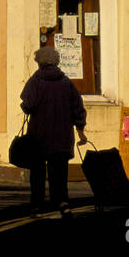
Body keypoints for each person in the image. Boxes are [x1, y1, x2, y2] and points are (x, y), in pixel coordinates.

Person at [20, 45, 88, 217]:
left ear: (39, 62)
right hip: (62, 136)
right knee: (59, 171)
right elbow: (78, 108)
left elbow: (27, 104)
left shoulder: (35, 81)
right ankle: (63, 202)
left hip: (39, 136)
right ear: (56, 61)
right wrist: (80, 130)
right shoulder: (66, 83)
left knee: (38, 172)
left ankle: (37, 205)